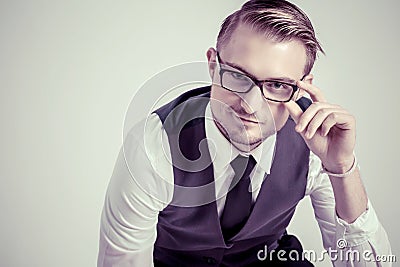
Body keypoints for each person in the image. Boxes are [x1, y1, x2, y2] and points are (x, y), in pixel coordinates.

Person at [97, 0, 392, 266]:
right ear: (213, 66)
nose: (251, 105)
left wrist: (341, 167)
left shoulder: (314, 139)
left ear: (302, 86)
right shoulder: (153, 145)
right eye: (238, 76)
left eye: (277, 85)